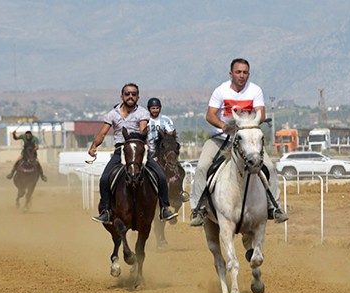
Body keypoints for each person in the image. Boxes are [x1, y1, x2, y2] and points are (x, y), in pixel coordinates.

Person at [189, 58, 288, 227]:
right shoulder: (221, 90)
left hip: (246, 141)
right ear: (231, 74)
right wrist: (224, 126)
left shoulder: (255, 90)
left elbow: (261, 114)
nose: (242, 76)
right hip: (221, 139)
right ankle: (198, 209)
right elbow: (210, 115)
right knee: (202, 167)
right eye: (238, 72)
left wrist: (247, 124)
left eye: (245, 72)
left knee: (270, 167)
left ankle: (274, 207)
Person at [89, 83, 177, 224]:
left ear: (138, 97)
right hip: (120, 150)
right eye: (128, 93)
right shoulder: (112, 114)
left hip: (139, 149)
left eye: (134, 94)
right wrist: (94, 146)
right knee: (104, 179)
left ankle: (164, 208)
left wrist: (138, 138)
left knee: (160, 176)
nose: (130, 96)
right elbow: (103, 132)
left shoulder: (142, 113)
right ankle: (106, 210)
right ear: (122, 96)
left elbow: (142, 129)